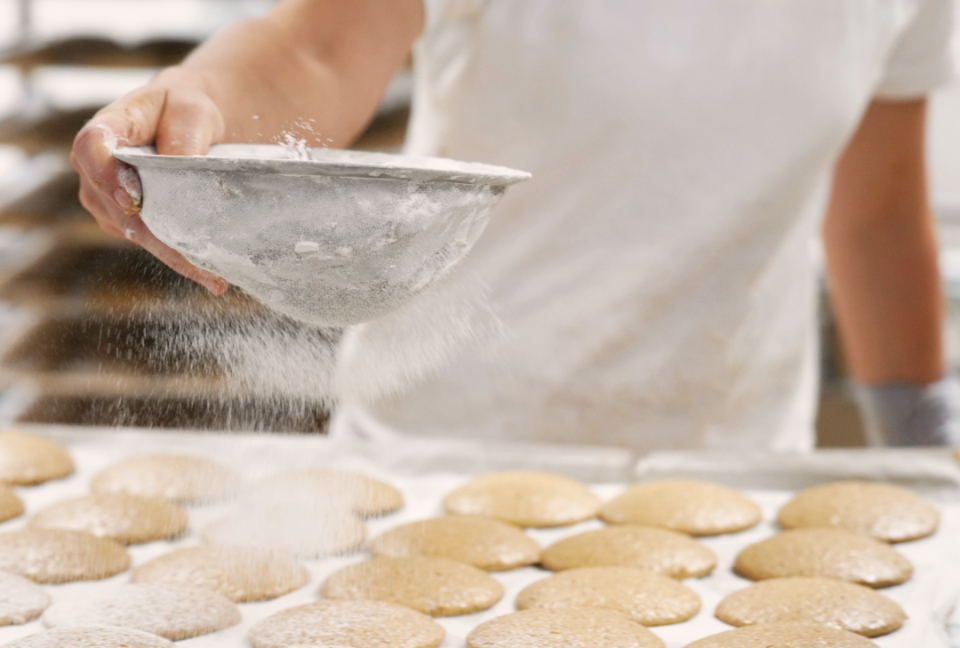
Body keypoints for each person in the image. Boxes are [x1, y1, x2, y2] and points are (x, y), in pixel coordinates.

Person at [71, 0, 960, 450]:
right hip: (442, 459)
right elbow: (321, 46)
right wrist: (200, 103)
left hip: (737, 465)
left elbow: (878, 204)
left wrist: (921, 435)